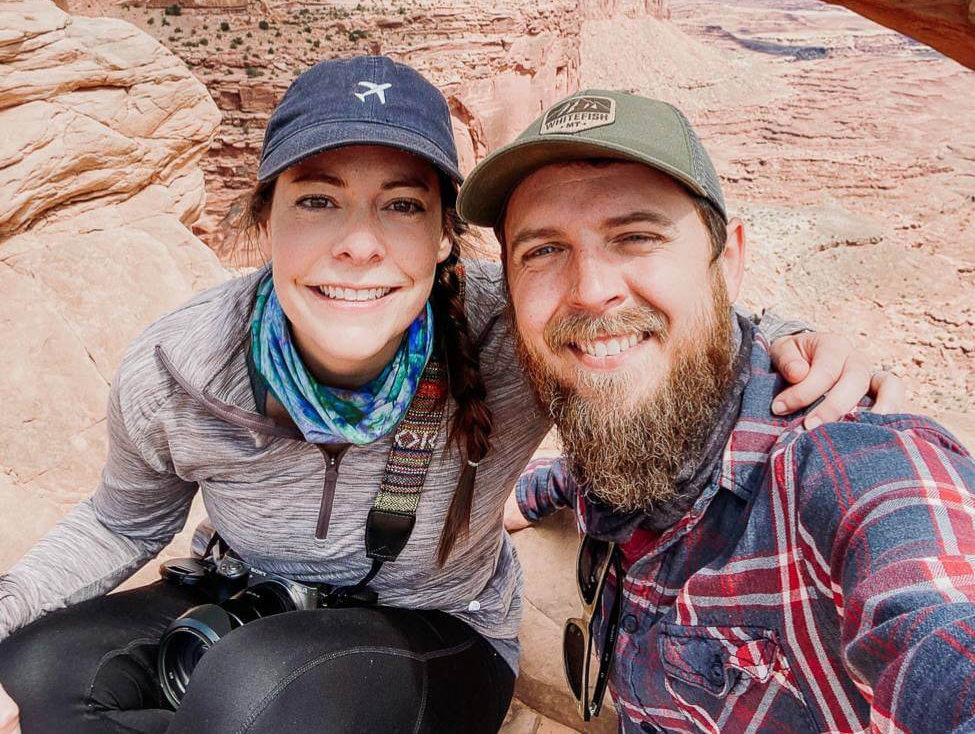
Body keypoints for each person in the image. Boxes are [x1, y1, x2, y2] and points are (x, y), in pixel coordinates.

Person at [0, 61, 900, 734]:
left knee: (247, 695)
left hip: (441, 631)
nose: (358, 245)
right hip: (256, 597)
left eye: (400, 205)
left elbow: (659, 327)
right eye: (317, 202)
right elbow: (119, 522)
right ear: (264, 221)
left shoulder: (514, 322)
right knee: (36, 668)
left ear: (442, 238)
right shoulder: (181, 364)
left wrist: (792, 336)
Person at [456, 89, 975, 733]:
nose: (590, 290)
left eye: (637, 236)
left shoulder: (855, 471)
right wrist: (512, 502)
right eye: (543, 250)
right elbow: (582, 476)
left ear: (728, 262)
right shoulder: (637, 429)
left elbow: (938, 616)